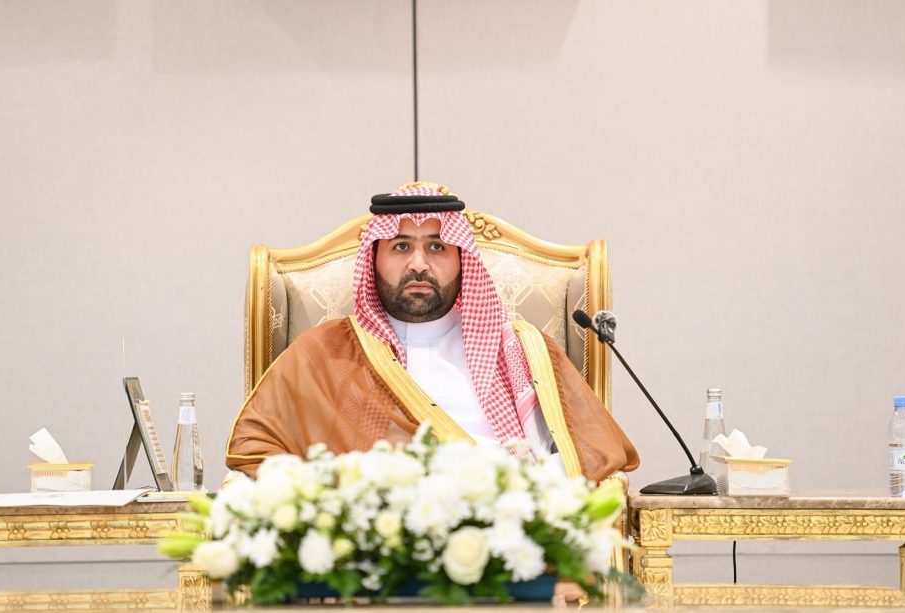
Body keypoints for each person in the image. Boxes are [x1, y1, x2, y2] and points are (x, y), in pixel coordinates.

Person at [227, 183, 639, 482]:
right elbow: (255, 449)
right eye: (401, 246)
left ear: (463, 260)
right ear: (373, 259)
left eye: (437, 247)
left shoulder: (520, 350)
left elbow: (590, 452)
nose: (419, 264)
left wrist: (513, 490)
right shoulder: (323, 354)